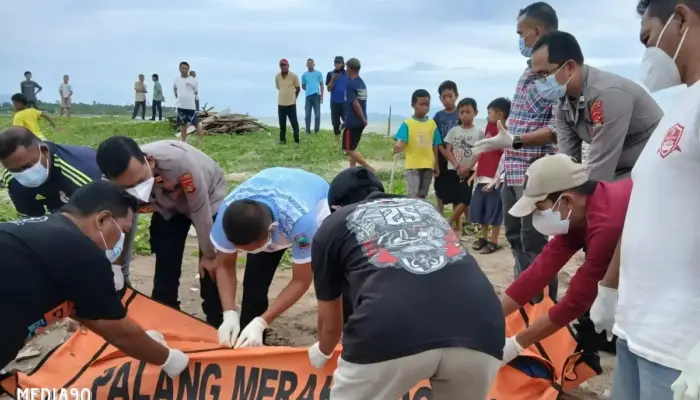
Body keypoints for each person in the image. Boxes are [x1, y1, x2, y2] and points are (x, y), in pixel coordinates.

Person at [307, 167, 505, 399]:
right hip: (482, 327)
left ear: (336, 208)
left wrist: (323, 351)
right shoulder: (427, 208)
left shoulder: (334, 224)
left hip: (388, 329)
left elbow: (331, 322)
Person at [590, 1, 700, 398]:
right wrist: (610, 287)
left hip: (679, 344)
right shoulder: (680, 106)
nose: (647, 53)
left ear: (682, 19)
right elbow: (643, 207)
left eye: (648, 38)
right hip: (636, 328)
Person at [0, 180, 189, 378]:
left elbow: (86, 310)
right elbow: (119, 332)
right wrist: (168, 358)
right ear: (102, 220)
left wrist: (143, 341)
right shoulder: (81, 253)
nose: (121, 239)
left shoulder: (47, 232)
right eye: (123, 231)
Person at [498, 154, 632, 365]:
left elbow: (577, 301)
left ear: (567, 199)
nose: (536, 217)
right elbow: (540, 270)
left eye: (539, 208)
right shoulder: (582, 211)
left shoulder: (607, 224)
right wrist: (490, 318)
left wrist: (514, 346)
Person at [475, 1, 559, 302]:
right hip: (512, 171)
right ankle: (522, 300)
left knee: (533, 241)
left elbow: (557, 128)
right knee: (515, 237)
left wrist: (516, 142)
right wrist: (503, 162)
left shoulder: (554, 74)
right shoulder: (527, 73)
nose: (520, 40)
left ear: (537, 32)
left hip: (534, 173)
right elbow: (519, 122)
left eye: (521, 33)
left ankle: (541, 307)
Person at [96, 136, 226, 327]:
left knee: (210, 264)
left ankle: (217, 321)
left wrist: (208, 253)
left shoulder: (179, 163)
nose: (137, 189)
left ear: (149, 161)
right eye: (128, 187)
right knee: (166, 260)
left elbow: (199, 209)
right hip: (164, 206)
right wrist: (117, 266)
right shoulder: (108, 186)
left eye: (140, 180)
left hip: (207, 198)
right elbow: (122, 225)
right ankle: (166, 315)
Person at [211, 167, 330, 348]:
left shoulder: (303, 224)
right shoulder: (226, 213)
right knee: (254, 285)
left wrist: (262, 322)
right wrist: (229, 313)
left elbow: (301, 280)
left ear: (271, 232)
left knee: (330, 279)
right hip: (273, 187)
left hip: (314, 203)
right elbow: (225, 266)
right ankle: (246, 337)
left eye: (251, 248)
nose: (245, 253)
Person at [530, 31, 663, 180]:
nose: (539, 82)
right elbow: (567, 161)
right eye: (536, 77)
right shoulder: (564, 106)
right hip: (619, 171)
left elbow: (599, 171)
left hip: (655, 167)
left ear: (570, 68)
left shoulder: (607, 94)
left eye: (544, 74)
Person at [0, 127, 101, 217]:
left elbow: (103, 224)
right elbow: (29, 222)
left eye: (27, 166)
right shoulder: (11, 179)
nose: (23, 174)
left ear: (44, 151)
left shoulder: (84, 178)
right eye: (14, 170)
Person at [469, 98, 510, 254]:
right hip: (482, 176)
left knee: (494, 211)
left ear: (500, 114)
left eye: (490, 112)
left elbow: (503, 159)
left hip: (494, 179)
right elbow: (484, 153)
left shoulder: (503, 133)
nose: (488, 115)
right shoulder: (488, 129)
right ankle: (483, 237)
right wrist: (476, 172)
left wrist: (496, 180)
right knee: (481, 209)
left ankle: (494, 241)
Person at [393, 89, 442, 198]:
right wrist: (397, 146)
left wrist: (436, 165)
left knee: (422, 195)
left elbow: (435, 145)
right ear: (413, 105)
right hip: (412, 165)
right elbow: (401, 140)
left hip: (428, 165)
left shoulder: (432, 124)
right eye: (421, 104)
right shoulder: (407, 123)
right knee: (413, 194)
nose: (425, 107)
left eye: (427, 104)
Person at [443, 98, 482, 231]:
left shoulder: (479, 132)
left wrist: (470, 167)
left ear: (475, 113)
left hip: (470, 171)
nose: (464, 115)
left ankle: (449, 221)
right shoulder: (454, 131)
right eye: (462, 112)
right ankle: (458, 228)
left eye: (468, 112)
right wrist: (457, 166)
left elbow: (480, 152)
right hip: (454, 170)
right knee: (456, 199)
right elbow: (448, 150)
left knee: (466, 198)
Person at [433, 80, 463, 220]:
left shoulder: (461, 114)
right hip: (441, 154)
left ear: (456, 96)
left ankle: (456, 218)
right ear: (440, 98)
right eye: (444, 97)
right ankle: (440, 215)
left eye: (450, 96)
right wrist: (443, 151)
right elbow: (435, 137)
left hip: (457, 155)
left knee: (456, 186)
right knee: (440, 185)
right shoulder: (438, 116)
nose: (447, 99)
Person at [343, 58, 373, 171]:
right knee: (353, 147)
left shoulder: (350, 85)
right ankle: (352, 170)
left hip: (354, 121)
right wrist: (363, 119)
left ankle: (369, 168)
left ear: (350, 69)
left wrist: (361, 118)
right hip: (360, 121)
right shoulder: (362, 84)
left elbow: (355, 104)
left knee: (348, 149)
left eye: (346, 68)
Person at [173, 62, 204, 142]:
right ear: (179, 69)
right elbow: (175, 88)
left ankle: (201, 141)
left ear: (188, 69)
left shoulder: (193, 81)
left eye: (186, 68)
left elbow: (196, 93)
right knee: (183, 124)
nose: (184, 70)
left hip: (190, 106)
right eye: (182, 68)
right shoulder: (176, 79)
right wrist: (176, 95)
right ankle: (184, 141)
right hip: (180, 105)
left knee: (196, 123)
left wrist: (197, 107)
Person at [275, 59, 301, 144]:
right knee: (282, 125)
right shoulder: (277, 77)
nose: (283, 67)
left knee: (294, 124)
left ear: (288, 66)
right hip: (281, 103)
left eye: (285, 65)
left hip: (291, 104)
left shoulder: (294, 76)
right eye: (281, 65)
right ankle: (282, 140)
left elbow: (298, 88)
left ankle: (296, 140)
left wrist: (294, 98)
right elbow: (279, 88)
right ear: (280, 66)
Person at [326, 56, 349, 140]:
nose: (337, 64)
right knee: (335, 124)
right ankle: (338, 143)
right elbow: (329, 89)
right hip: (334, 102)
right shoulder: (330, 74)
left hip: (345, 102)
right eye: (336, 62)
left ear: (343, 64)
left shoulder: (348, 74)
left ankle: (346, 142)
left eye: (339, 63)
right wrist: (333, 79)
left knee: (348, 122)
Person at [302, 58, 324, 135]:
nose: (310, 65)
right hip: (308, 97)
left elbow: (321, 85)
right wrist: (309, 89)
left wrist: (321, 96)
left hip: (316, 96)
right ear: (306, 65)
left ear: (314, 64)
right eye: (308, 63)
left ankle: (316, 130)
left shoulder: (318, 74)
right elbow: (303, 86)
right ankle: (308, 131)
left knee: (317, 115)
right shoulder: (304, 75)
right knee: (307, 115)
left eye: (311, 63)